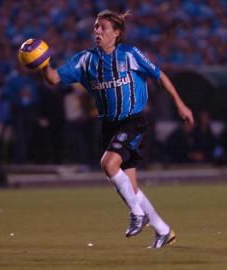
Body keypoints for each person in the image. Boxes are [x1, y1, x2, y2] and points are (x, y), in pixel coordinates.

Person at [39, 10, 194, 248]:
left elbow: (159, 75)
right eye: (96, 27)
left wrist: (181, 104)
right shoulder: (85, 60)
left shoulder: (130, 54)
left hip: (133, 121)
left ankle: (137, 215)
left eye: (103, 28)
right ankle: (163, 231)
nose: (97, 32)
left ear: (117, 33)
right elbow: (53, 78)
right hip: (109, 125)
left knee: (108, 164)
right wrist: (42, 61)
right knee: (131, 188)